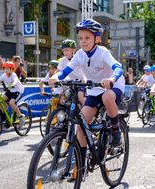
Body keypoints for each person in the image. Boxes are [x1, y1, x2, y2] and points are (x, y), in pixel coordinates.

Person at [49, 19, 125, 166]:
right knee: (81, 127)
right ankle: (81, 164)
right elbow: (65, 71)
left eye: (87, 38)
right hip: (94, 90)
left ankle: (115, 129)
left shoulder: (103, 52)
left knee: (107, 96)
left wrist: (111, 78)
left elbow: (118, 67)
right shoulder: (79, 55)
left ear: (97, 39)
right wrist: (55, 77)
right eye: (81, 38)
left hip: (112, 86)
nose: (83, 41)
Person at [58, 39, 86, 105]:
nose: (65, 53)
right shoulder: (63, 60)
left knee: (80, 97)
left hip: (82, 83)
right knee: (67, 98)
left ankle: (87, 112)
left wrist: (84, 79)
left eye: (67, 50)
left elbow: (85, 71)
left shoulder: (78, 58)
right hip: (72, 83)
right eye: (63, 51)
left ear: (73, 50)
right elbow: (58, 72)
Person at [0, 61, 25, 126]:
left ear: (12, 69)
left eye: (8, 68)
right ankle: (5, 117)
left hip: (18, 91)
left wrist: (12, 84)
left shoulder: (13, 74)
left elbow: (15, 81)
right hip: (10, 90)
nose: (6, 70)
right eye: (4, 68)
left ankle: (21, 116)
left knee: (11, 103)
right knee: (1, 101)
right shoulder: (4, 75)